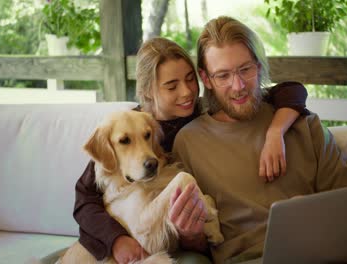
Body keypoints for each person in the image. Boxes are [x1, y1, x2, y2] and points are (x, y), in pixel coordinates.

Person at [73, 36, 309, 264]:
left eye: (189, 79)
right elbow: (85, 201)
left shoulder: (206, 110)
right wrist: (115, 240)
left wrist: (275, 132)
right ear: (147, 92)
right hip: (145, 236)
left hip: (199, 233)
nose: (186, 92)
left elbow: (291, 90)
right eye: (171, 86)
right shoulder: (130, 129)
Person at [172, 16, 347, 264]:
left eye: (245, 70)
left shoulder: (303, 124)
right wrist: (190, 235)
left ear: (259, 66)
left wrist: (316, 212)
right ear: (206, 79)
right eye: (223, 76)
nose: (238, 86)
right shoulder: (189, 143)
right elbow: (198, 247)